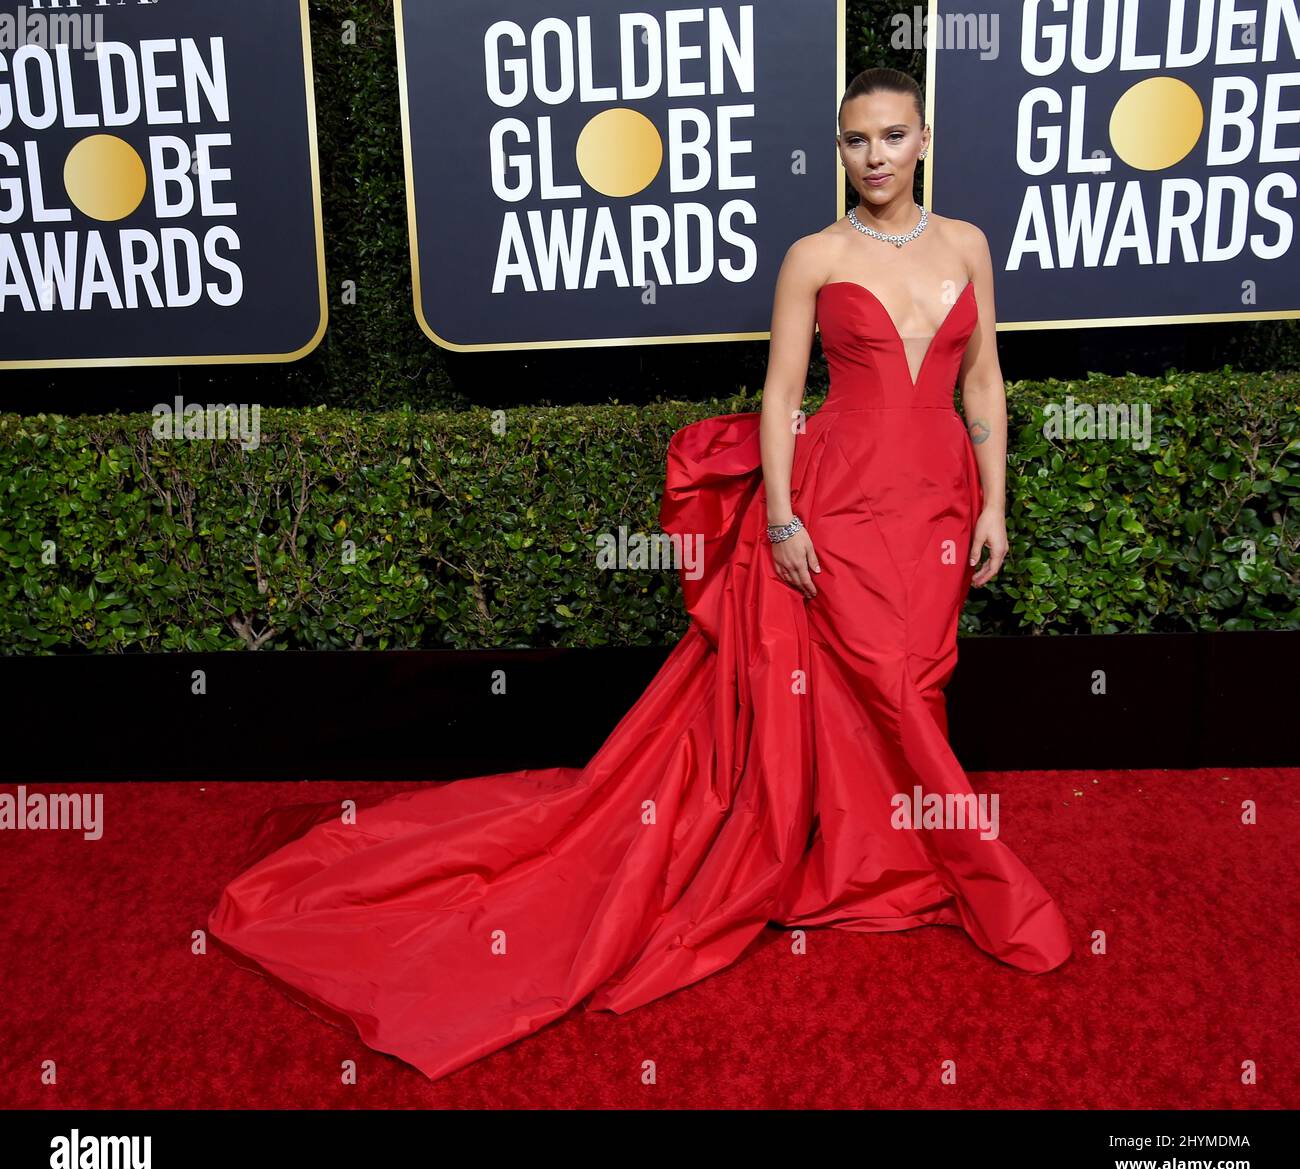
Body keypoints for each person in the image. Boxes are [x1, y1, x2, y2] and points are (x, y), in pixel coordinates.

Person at [207, 67, 1072, 1084]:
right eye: (854, 140)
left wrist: (993, 501)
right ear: (838, 150)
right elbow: (782, 392)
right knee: (879, 681)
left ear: (921, 138)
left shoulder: (967, 243)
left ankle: (869, 859)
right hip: (838, 501)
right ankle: (977, 876)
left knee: (907, 681)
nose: (873, 155)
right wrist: (782, 516)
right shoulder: (814, 257)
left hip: (933, 499)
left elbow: (985, 380)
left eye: (889, 135)